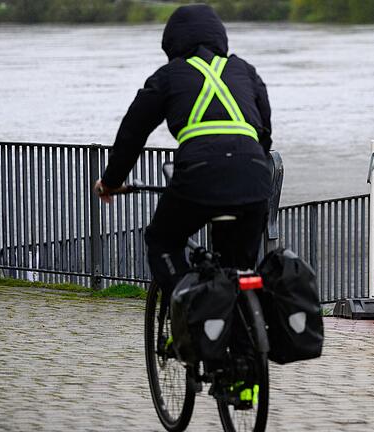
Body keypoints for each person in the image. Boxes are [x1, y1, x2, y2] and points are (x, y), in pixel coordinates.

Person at [94, 4, 273, 293]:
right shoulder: (245, 71)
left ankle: (187, 305)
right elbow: (265, 132)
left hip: (199, 176)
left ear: (172, 43)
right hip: (253, 178)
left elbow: (132, 133)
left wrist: (111, 182)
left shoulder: (169, 76)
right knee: (240, 272)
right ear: (220, 37)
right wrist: (252, 167)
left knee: (162, 241)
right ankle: (246, 331)